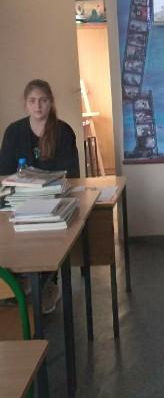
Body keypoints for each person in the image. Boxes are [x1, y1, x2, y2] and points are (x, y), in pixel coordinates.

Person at [0, 79, 80, 313]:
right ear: (25, 104)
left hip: (52, 200)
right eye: (32, 101)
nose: (37, 106)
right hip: (18, 200)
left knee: (47, 237)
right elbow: (4, 171)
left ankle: (48, 284)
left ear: (50, 102)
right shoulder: (14, 131)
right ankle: (20, 281)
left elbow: (71, 174)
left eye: (43, 100)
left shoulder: (63, 131)